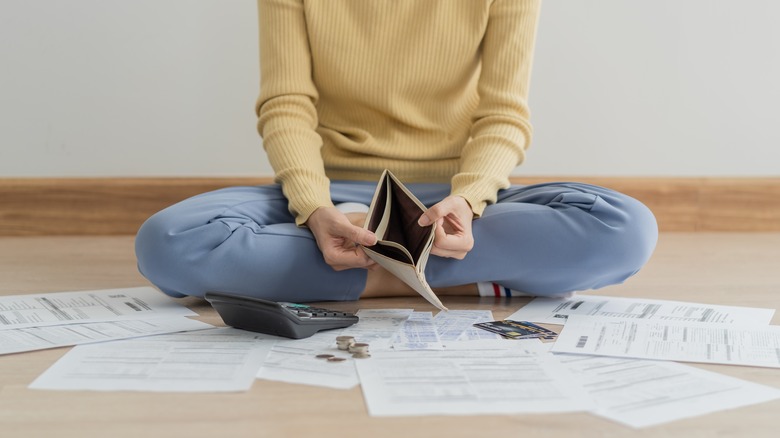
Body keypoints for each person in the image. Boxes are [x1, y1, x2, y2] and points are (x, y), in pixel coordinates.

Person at [135, 0, 658, 303]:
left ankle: (366, 270)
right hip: (330, 193)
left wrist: (470, 201)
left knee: (625, 228)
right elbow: (286, 105)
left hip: (451, 201)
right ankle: (441, 271)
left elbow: (503, 114)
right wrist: (315, 209)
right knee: (166, 242)